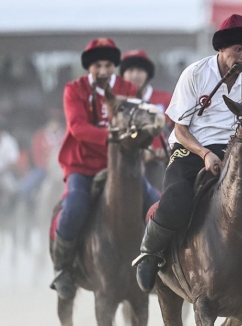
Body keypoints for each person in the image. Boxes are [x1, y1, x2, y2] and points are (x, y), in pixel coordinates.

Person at [132, 14, 242, 293]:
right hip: (192, 147)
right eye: (238, 49)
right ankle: (149, 253)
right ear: (222, 48)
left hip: (239, 149)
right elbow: (179, 129)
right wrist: (205, 154)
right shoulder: (194, 74)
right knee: (178, 197)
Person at [51, 38, 161, 299]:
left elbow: (139, 123)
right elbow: (77, 128)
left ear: (114, 67)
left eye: (108, 65)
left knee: (158, 204)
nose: (102, 71)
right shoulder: (73, 90)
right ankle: (64, 268)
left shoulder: (127, 89)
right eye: (97, 65)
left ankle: (160, 263)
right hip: (82, 166)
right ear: (89, 67)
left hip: (122, 167)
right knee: (75, 207)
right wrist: (113, 137)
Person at [120, 49, 173, 190]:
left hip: (158, 167)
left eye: (140, 70)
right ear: (123, 74)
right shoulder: (117, 103)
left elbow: (179, 131)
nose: (135, 75)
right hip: (123, 165)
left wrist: (166, 149)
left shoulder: (166, 99)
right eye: (130, 70)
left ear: (147, 74)